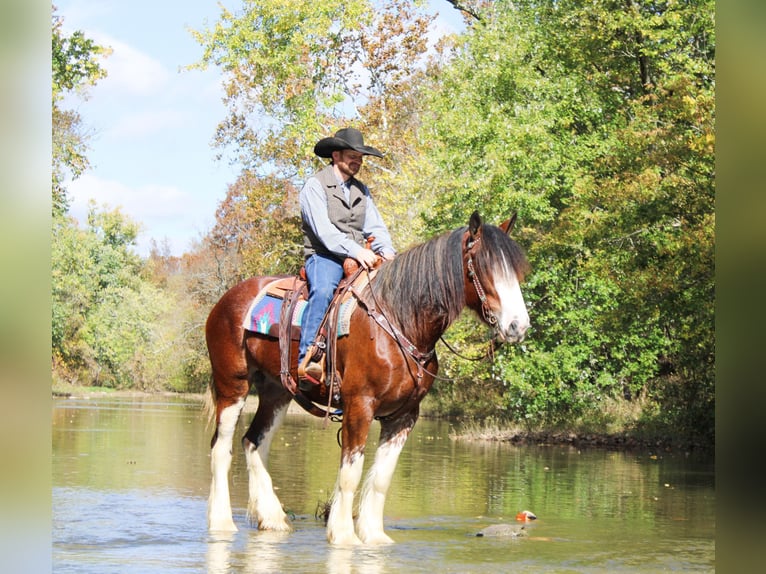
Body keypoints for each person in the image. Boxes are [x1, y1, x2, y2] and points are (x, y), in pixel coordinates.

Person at [297, 127, 396, 388]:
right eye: (353, 155)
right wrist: (358, 251)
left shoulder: (361, 191)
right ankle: (308, 358)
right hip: (324, 256)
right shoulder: (315, 186)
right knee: (324, 290)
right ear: (336, 155)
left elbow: (376, 228)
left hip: (359, 256)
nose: (358, 161)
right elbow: (325, 233)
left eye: (360, 157)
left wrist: (389, 255)